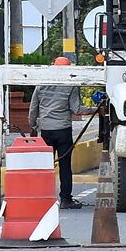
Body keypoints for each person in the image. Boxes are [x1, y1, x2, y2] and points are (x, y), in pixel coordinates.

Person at [29, 56, 97, 209]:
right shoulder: (69, 85)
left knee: (45, 166)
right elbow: (77, 109)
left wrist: (33, 126)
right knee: (65, 166)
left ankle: (43, 199)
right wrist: (96, 109)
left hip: (46, 130)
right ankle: (66, 200)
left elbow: (33, 108)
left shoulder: (41, 84)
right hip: (63, 131)